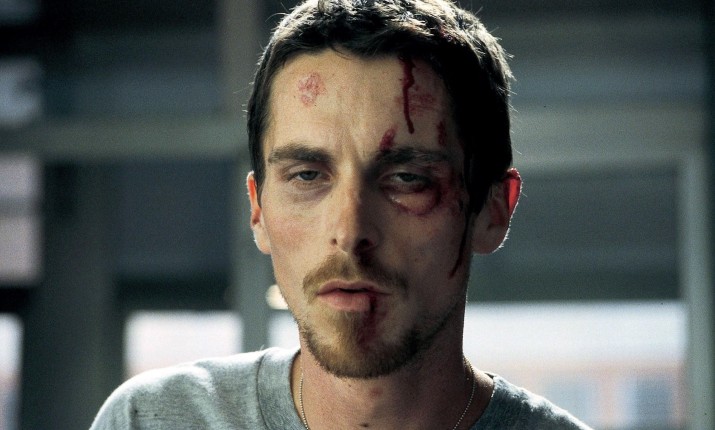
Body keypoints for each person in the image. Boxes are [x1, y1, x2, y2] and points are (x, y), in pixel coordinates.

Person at [91, 0, 592, 429]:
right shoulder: (147, 420)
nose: (350, 232)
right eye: (307, 175)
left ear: (493, 210)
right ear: (258, 210)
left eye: (407, 179)